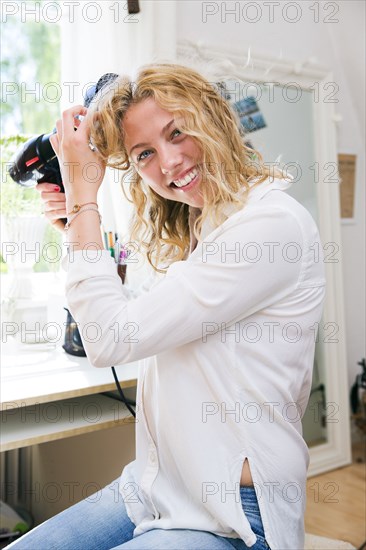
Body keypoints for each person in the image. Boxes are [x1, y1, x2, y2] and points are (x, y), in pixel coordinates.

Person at [7, 64, 326, 550]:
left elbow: (113, 337)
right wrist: (78, 222)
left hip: (236, 513)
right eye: (144, 154)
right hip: (157, 486)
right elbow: (131, 315)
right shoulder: (206, 227)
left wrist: (84, 197)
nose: (171, 161)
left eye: (178, 132)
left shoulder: (270, 226)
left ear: (214, 117)